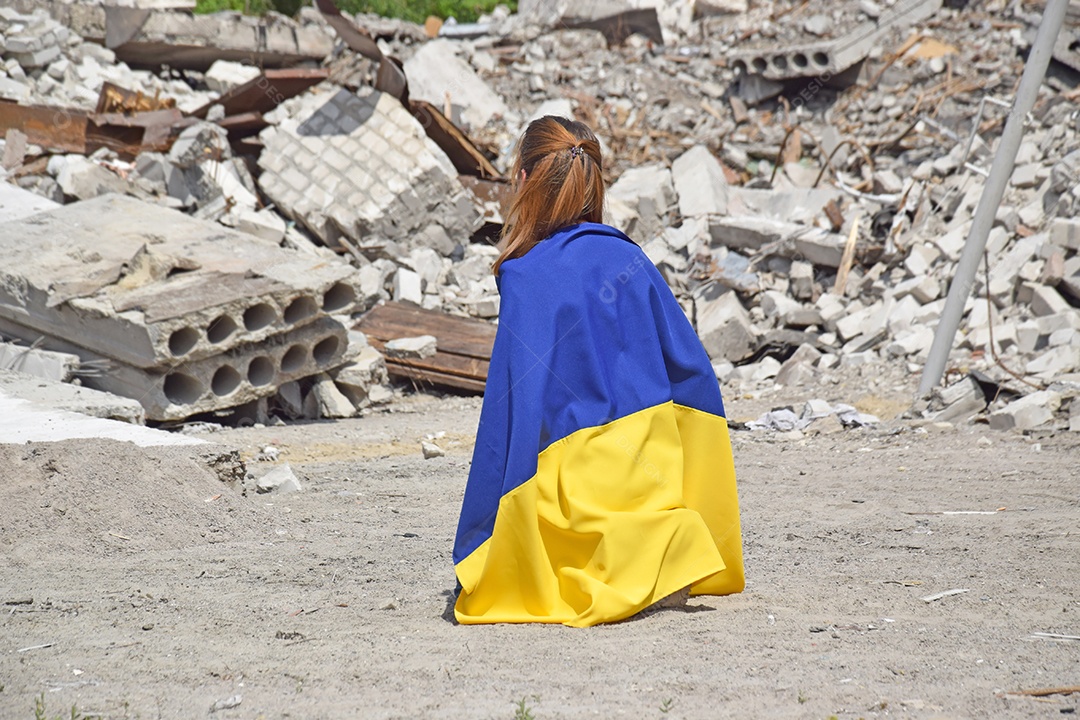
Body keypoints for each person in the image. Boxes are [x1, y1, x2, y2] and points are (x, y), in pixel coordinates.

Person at [452, 116, 744, 627]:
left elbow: (511, 412)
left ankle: (608, 555)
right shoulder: (631, 259)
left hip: (577, 485)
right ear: (593, 182)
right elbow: (693, 376)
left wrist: (480, 539)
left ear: (522, 181)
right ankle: (660, 548)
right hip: (648, 481)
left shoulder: (525, 276)